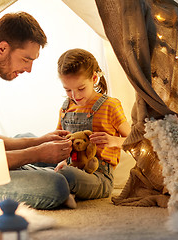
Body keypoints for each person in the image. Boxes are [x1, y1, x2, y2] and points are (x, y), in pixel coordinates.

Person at [0, 12, 72, 209]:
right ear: (3, 48)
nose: (29, 69)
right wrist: (36, 153)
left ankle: (37, 165)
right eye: (26, 59)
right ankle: (39, 173)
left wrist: (40, 141)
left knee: (29, 137)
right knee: (57, 185)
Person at [54, 48, 131, 203]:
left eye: (81, 88)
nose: (75, 96)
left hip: (99, 176)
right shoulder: (65, 107)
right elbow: (59, 141)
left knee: (66, 177)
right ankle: (61, 186)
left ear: (94, 78)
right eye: (68, 90)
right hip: (72, 165)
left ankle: (62, 188)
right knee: (25, 140)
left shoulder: (110, 105)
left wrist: (114, 141)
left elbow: (134, 139)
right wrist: (61, 160)